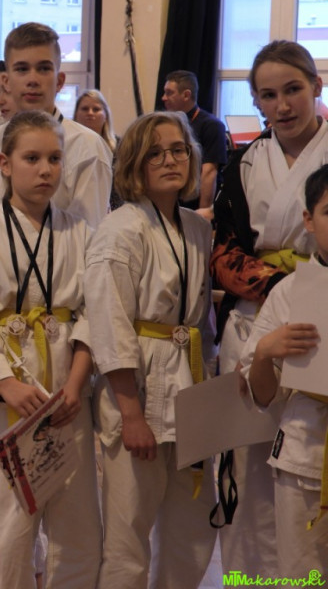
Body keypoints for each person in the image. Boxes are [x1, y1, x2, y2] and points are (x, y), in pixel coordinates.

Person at [0, 110, 100, 588]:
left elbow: (92, 313)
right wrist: (5, 384)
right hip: (10, 393)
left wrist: (76, 384)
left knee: (78, 517)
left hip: (67, 390)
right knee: (13, 519)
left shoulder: (79, 230)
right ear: (4, 163)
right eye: (32, 158)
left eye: (54, 159)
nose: (45, 170)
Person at [210, 40, 328, 579]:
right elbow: (223, 252)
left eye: (293, 90)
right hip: (255, 319)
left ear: (316, 87)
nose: (282, 105)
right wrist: (290, 287)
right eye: (268, 95)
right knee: (249, 468)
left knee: (308, 459)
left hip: (322, 318)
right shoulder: (244, 162)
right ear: (256, 101)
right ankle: (250, 577)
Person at [85, 111, 217, 588]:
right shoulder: (120, 229)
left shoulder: (196, 228)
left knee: (192, 524)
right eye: (155, 153)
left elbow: (201, 317)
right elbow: (109, 327)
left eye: (178, 150)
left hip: (190, 380)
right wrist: (131, 415)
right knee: (129, 531)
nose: (170, 160)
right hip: (137, 390)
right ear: (134, 164)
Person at [239, 164, 328, 576]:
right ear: (309, 220)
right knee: (301, 574)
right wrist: (263, 353)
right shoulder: (288, 292)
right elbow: (261, 396)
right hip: (303, 453)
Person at [0, 23, 112, 228]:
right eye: (22, 69)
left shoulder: (87, 147)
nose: (32, 80)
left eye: (43, 69)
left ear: (59, 81)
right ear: (6, 82)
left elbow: (89, 235)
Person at [162, 70, 227, 217]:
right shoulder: (169, 125)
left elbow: (209, 173)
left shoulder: (212, 125)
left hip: (195, 206)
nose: (163, 98)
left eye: (169, 93)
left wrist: (202, 215)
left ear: (186, 95)